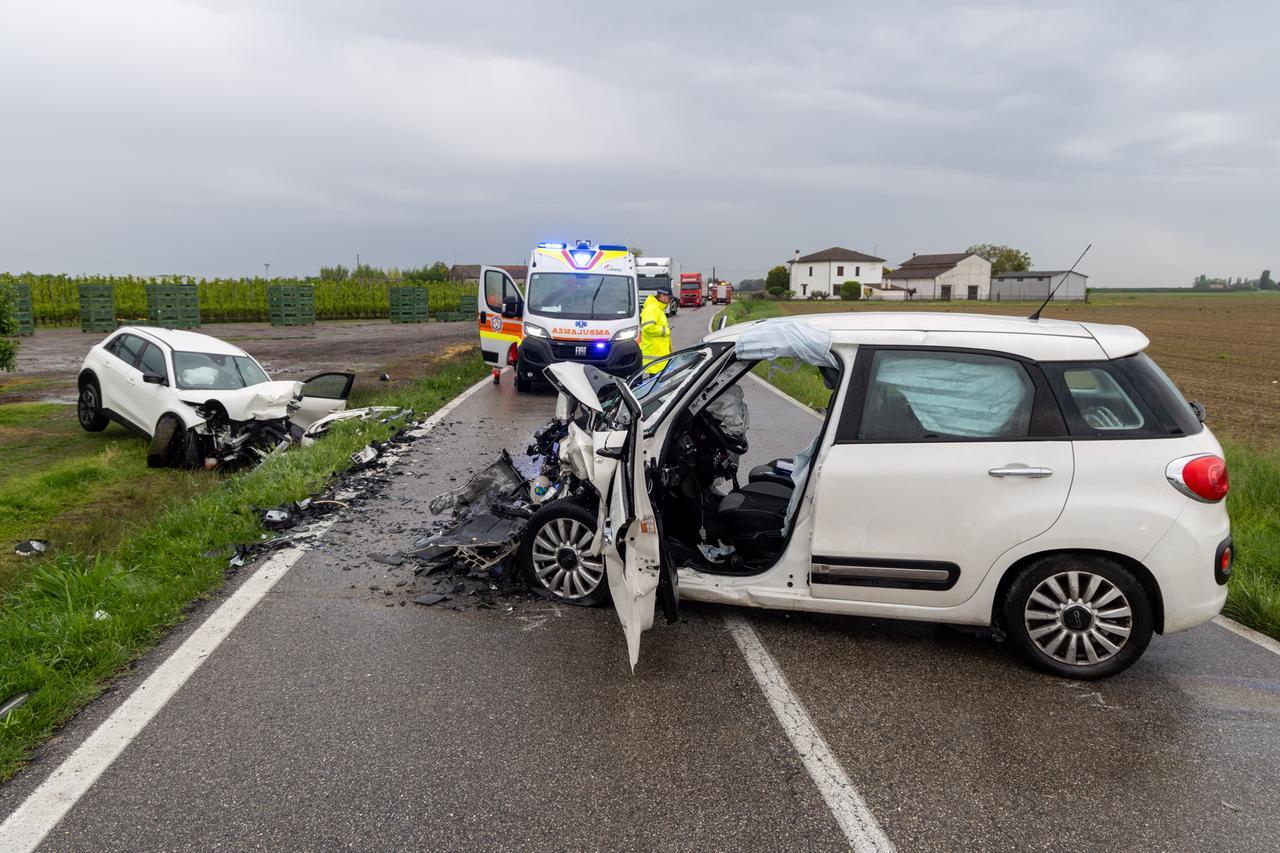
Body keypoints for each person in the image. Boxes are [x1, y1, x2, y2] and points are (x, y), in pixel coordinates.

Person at [639, 284, 673, 373]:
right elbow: (647, 328)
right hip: (655, 360)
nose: (670, 301)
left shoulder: (657, 309)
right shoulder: (652, 308)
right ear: (662, 296)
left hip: (659, 358)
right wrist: (665, 331)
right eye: (669, 298)